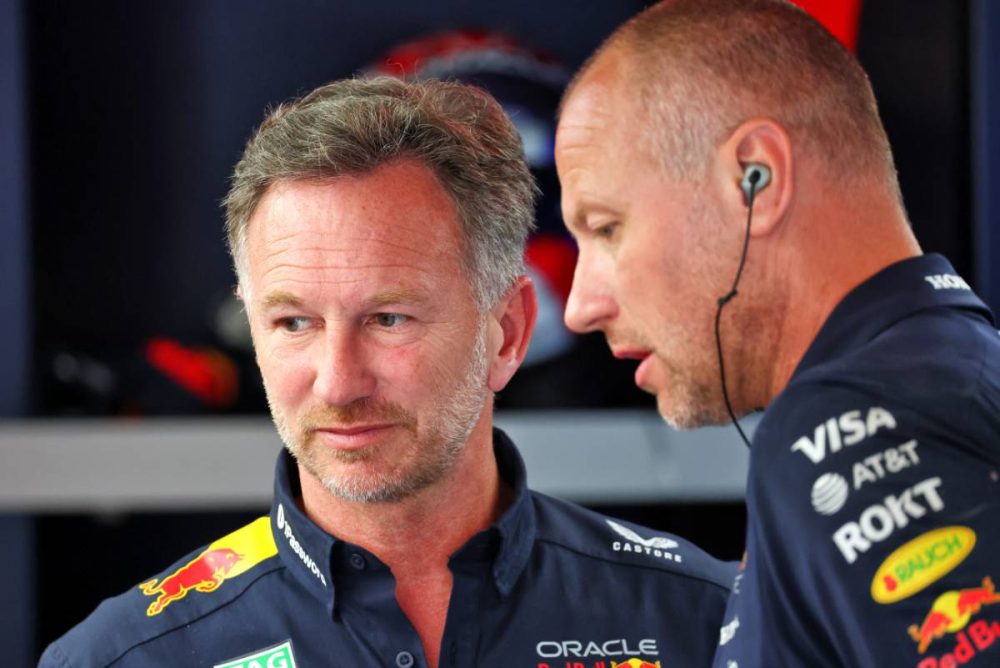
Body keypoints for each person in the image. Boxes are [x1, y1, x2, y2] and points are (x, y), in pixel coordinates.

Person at [41, 77, 734, 668]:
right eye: (294, 323)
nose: (338, 383)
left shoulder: (705, 621)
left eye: (389, 319)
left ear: (508, 332)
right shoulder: (122, 657)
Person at [555, 1, 1000, 666]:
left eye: (606, 227)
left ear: (754, 179)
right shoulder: (940, 374)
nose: (580, 307)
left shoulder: (850, 424)